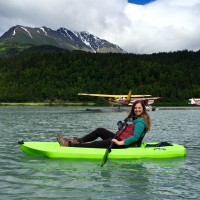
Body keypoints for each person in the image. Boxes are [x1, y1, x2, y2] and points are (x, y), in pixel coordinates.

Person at [57, 100, 151, 148]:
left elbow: (135, 137)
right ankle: (79, 141)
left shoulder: (140, 122)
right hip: (119, 138)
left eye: (139, 108)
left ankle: (70, 145)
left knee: (96, 144)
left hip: (123, 144)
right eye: (135, 108)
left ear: (143, 109)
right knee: (100, 130)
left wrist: (119, 142)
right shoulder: (135, 119)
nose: (137, 110)